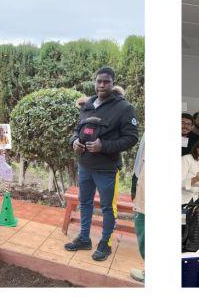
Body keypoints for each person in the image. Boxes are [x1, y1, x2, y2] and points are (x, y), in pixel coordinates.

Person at [64, 67, 139, 262]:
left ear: (113, 83)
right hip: (85, 165)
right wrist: (74, 141)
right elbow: (76, 129)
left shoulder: (124, 108)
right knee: (85, 202)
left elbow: (131, 138)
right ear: (95, 82)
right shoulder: (88, 104)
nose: (102, 85)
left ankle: (105, 243)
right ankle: (84, 238)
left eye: (106, 81)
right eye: (99, 81)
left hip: (106, 168)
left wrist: (103, 146)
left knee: (108, 207)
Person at [130, 137, 146, 282]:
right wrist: (134, 184)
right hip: (142, 184)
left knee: (144, 230)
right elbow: (139, 160)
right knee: (141, 227)